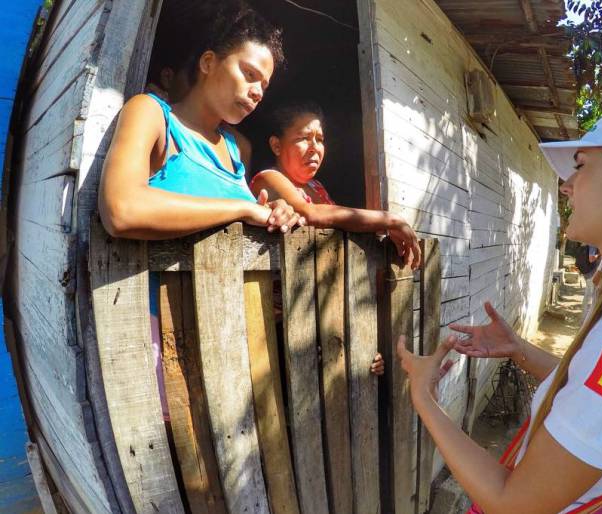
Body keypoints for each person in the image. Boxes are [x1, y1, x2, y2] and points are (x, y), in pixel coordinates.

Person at [397, 106, 602, 513]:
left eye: (581, 166)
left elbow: (514, 505)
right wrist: (519, 350)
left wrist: (423, 396)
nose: (566, 186)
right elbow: (593, 387)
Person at [99, 4, 304, 420]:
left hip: (232, 340)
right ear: (208, 62)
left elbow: (243, 220)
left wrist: (275, 212)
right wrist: (240, 208)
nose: (257, 92)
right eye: (249, 73)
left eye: (264, 85)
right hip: (164, 340)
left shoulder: (234, 150)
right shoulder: (152, 114)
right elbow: (120, 209)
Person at [249, 101, 421, 269]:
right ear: (276, 146)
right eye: (304, 138)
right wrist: (389, 220)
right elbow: (310, 213)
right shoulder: (268, 178)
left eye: (320, 139)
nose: (315, 147)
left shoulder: (316, 186)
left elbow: (339, 221)